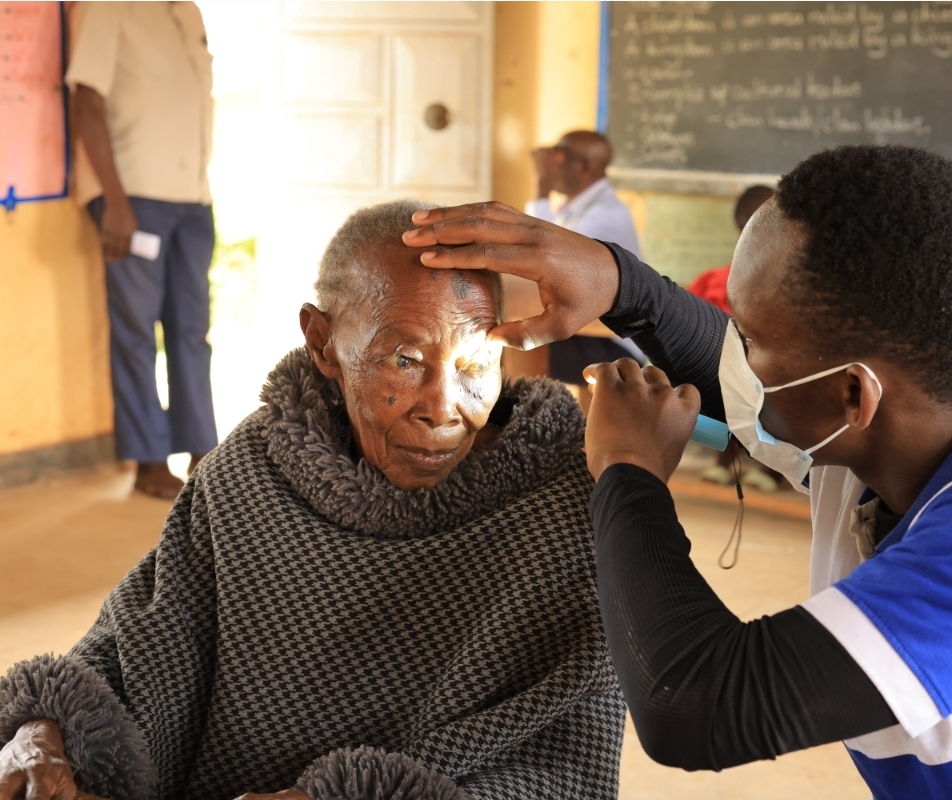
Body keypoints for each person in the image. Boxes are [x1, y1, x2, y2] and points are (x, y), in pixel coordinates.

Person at [400, 146, 952, 799]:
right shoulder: (899, 439)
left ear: (852, 395)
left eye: (750, 337)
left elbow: (697, 706)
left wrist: (629, 473)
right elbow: (735, 377)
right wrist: (619, 282)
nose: (732, 354)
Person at [0, 200, 624, 800]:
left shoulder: (565, 513)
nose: (442, 408)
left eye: (477, 362)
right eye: (405, 360)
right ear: (322, 342)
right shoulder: (253, 469)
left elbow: (560, 759)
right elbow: (139, 641)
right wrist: (43, 730)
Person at [67, 2, 219, 499]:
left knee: (191, 331)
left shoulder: (186, 12)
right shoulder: (108, 6)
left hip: (193, 201)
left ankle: (204, 453)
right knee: (136, 333)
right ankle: (149, 461)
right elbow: (86, 100)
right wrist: (112, 201)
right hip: (131, 201)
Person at [525, 131, 643, 389]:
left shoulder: (605, 215)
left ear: (585, 167)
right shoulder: (576, 209)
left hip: (614, 348)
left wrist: (542, 186)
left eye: (558, 156)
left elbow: (545, 260)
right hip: (587, 331)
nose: (549, 165)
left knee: (512, 347)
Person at [687, 185, 778, 492]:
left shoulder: (790, 280)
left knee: (770, 381)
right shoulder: (716, 280)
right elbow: (688, 320)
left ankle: (772, 467)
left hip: (770, 367)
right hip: (728, 364)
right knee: (722, 377)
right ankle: (726, 460)